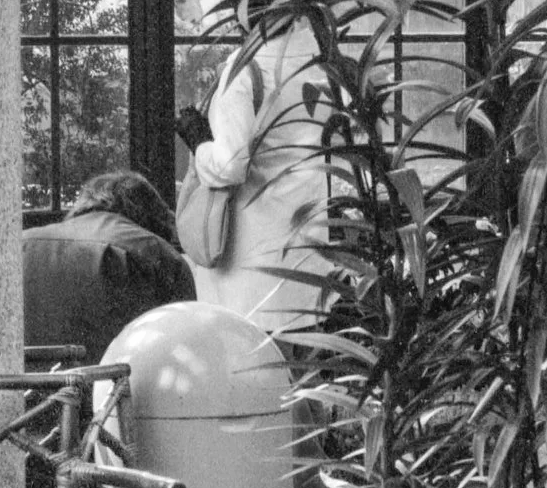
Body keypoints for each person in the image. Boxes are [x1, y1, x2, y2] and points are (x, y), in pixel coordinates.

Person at [184, 21, 325, 326]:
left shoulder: (245, 68)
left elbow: (229, 166)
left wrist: (198, 144)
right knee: (298, 357)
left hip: (247, 255)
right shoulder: (320, 57)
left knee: (245, 359)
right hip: (307, 241)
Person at [22, 169, 195, 360]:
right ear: (155, 216)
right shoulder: (156, 253)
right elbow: (184, 351)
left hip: (20, 385)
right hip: (112, 385)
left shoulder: (21, 244)